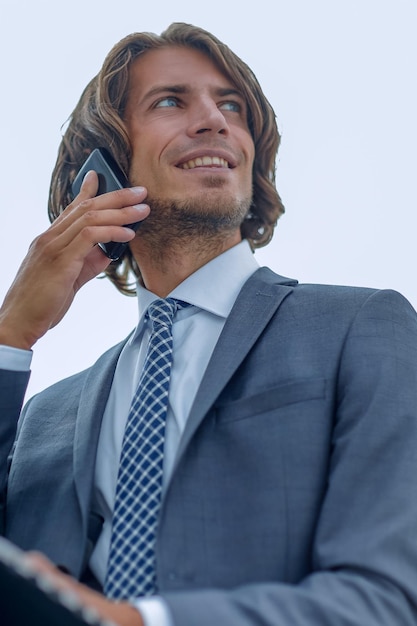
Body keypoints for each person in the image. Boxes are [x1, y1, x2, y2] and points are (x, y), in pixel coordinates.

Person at [1, 21, 417, 626]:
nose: (215, 120)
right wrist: (11, 335)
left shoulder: (360, 327)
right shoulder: (44, 416)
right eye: (171, 101)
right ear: (104, 167)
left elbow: (388, 598)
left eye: (231, 106)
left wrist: (138, 621)